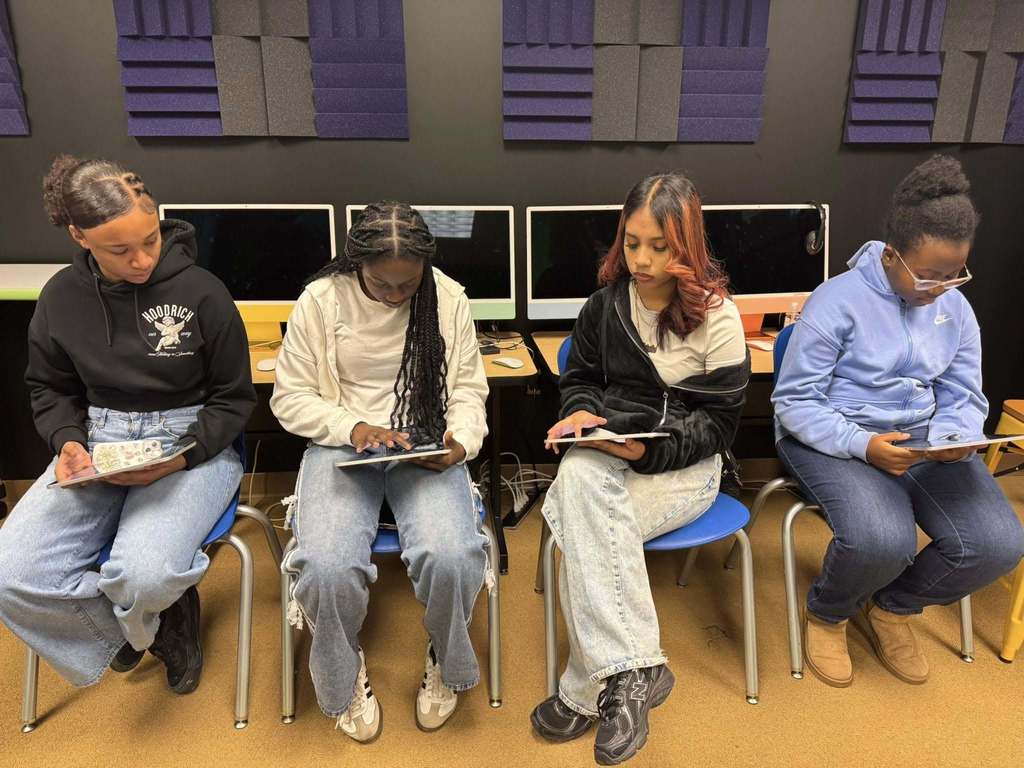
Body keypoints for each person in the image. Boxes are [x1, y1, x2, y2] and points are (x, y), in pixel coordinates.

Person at [0, 155, 256, 694]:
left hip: (190, 438)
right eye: (120, 250)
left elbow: (234, 401)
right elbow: (49, 388)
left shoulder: (204, 293)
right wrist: (67, 442)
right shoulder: (61, 297)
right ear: (79, 235)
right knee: (12, 573)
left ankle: (156, 602)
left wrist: (182, 455)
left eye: (150, 240)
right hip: (99, 435)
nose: (141, 260)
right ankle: (143, 628)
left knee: (145, 575)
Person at [772, 155, 1024, 688]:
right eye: (930, 275)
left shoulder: (955, 308)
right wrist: (862, 445)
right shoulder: (836, 302)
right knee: (883, 540)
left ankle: (891, 607)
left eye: (956, 274)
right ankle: (829, 611)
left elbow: (962, 393)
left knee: (998, 543)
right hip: (832, 433)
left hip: (921, 440)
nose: (944, 287)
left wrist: (956, 437)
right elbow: (794, 403)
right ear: (891, 256)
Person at [530, 172, 750, 765]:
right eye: (631, 243)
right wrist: (581, 418)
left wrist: (647, 450)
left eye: (660, 246)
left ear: (689, 245)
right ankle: (635, 674)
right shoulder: (604, 307)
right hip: (609, 457)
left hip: (690, 468)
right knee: (576, 480)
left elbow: (719, 430)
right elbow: (578, 380)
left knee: (584, 527)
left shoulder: (720, 318)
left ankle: (585, 688)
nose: (642, 260)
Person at [271, 201, 490, 741]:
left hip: (423, 439)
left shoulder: (447, 296)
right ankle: (344, 676)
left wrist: (460, 443)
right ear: (356, 265)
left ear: (424, 269)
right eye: (381, 284)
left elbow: (466, 389)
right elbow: (290, 397)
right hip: (341, 444)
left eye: (407, 285)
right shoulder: (321, 300)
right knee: (323, 565)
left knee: (454, 555)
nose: (396, 296)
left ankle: (445, 656)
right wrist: (352, 427)